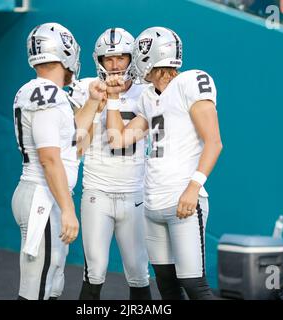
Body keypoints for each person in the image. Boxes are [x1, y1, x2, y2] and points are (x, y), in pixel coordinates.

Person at [106, 27, 223, 300]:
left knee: (194, 284)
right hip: (153, 204)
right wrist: (112, 100)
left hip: (182, 199)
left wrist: (194, 187)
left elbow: (214, 142)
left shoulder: (191, 82)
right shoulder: (149, 96)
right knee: (167, 286)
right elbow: (118, 139)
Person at [11, 22, 98, 300]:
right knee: (36, 288)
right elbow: (49, 159)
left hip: (44, 194)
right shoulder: (46, 94)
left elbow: (72, 140)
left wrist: (94, 101)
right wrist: (68, 208)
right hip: (43, 197)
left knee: (51, 283)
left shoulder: (46, 92)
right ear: (65, 51)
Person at [68, 28, 152, 300]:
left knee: (138, 271)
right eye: (108, 59)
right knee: (95, 270)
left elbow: (123, 140)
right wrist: (94, 106)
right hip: (97, 191)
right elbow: (77, 145)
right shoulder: (86, 88)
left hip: (135, 193)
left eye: (121, 58)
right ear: (99, 61)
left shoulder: (146, 93)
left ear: (132, 58)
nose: (115, 65)